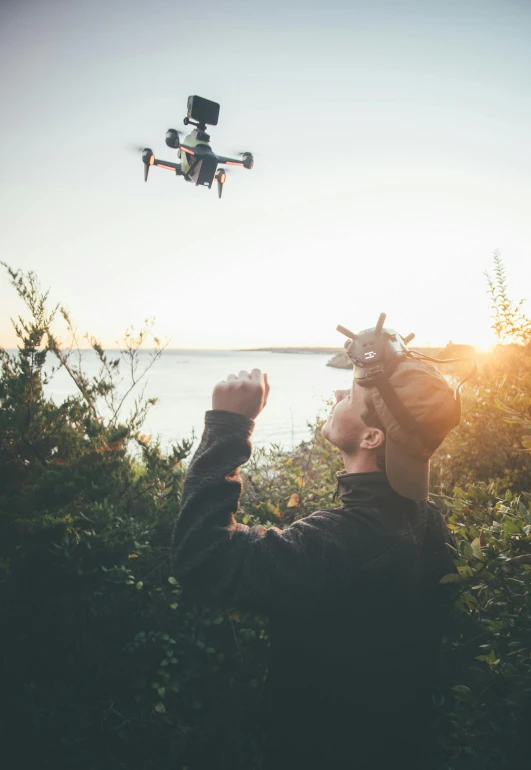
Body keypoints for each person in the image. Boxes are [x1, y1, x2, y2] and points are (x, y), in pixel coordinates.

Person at [171, 355, 459, 770]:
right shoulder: (425, 519)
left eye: (353, 393)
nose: (339, 393)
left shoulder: (343, 543)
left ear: (373, 437)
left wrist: (228, 426)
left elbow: (203, 558)